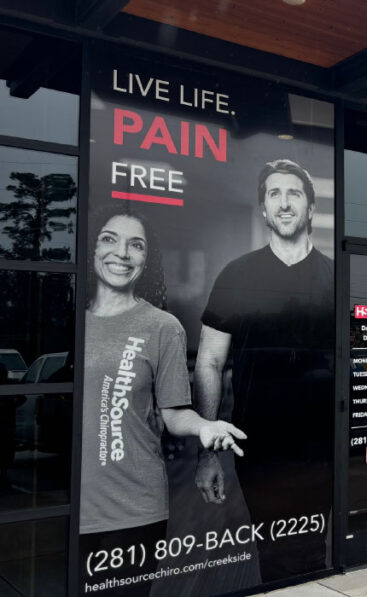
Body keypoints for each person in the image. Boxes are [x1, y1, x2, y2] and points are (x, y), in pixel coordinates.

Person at [80, 205, 245, 596]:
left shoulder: (161, 327)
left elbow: (173, 414)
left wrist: (205, 427)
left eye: (135, 245)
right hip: (70, 504)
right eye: (109, 239)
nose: (121, 253)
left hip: (134, 508)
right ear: (91, 249)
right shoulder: (71, 323)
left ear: (146, 260)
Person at [194, 159, 334, 582]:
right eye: (274, 194)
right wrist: (208, 452)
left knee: (313, 551)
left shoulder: (337, 277)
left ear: (311, 208)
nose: (285, 203)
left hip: (322, 450)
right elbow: (209, 362)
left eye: (294, 193)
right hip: (261, 451)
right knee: (273, 553)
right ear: (263, 209)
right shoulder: (236, 276)